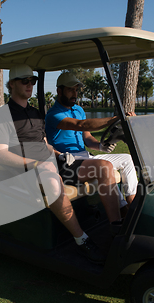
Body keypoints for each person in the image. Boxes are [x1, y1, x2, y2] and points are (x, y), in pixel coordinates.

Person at [0, 64, 122, 264]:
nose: (29, 85)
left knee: (104, 167)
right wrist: (34, 164)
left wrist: (60, 154)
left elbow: (45, 144)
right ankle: (82, 240)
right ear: (11, 84)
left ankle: (116, 229)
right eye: (24, 81)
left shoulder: (35, 113)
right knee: (51, 179)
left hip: (51, 163)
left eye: (32, 81)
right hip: (25, 170)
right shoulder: (3, 115)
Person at [45, 72, 138, 219]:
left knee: (127, 159)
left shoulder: (79, 110)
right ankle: (123, 211)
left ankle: (132, 206)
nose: (74, 93)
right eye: (70, 90)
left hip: (85, 156)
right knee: (104, 166)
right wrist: (117, 118)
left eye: (76, 90)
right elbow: (80, 125)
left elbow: (87, 137)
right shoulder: (53, 114)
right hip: (68, 161)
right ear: (59, 91)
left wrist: (100, 146)